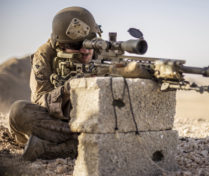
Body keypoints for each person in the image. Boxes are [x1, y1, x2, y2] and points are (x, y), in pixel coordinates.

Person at [8, 6, 148, 161]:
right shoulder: (44, 55)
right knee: (18, 111)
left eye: (89, 42)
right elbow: (40, 100)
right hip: (56, 119)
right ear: (60, 44)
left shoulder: (101, 50)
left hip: (89, 118)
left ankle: (49, 146)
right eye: (76, 46)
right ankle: (81, 142)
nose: (85, 50)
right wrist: (69, 88)